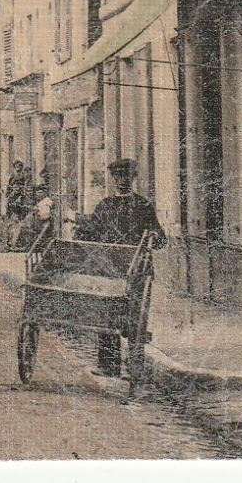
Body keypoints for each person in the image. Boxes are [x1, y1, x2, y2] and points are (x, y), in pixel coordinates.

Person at [74, 158, 167, 377]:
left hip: (137, 272)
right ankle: (108, 365)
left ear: (133, 178)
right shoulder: (105, 205)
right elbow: (91, 232)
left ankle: (135, 369)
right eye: (118, 176)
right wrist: (80, 231)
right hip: (111, 269)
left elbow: (162, 240)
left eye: (127, 176)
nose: (122, 180)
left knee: (133, 319)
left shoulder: (143, 206)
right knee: (106, 313)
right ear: (114, 179)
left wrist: (153, 236)